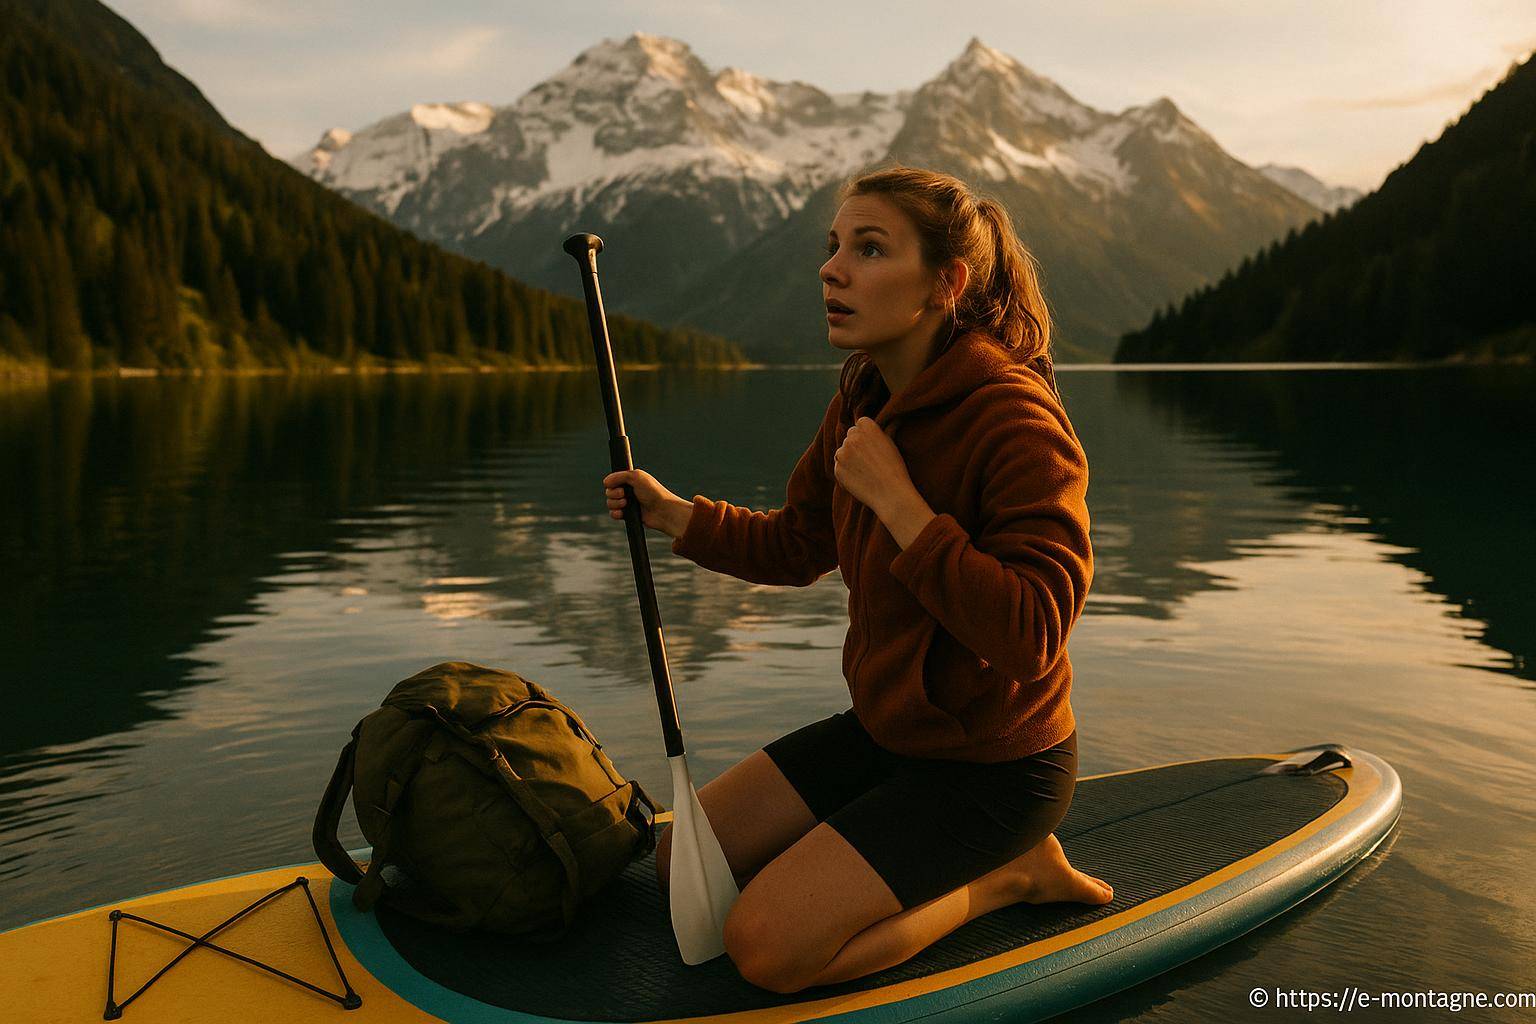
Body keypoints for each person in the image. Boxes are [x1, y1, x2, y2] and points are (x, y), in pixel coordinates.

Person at [600, 165, 1112, 994]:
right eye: (833, 246)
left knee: (765, 950)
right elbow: (798, 544)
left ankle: (1007, 877)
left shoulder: (1016, 419)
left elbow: (1032, 636)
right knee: (679, 865)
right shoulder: (863, 399)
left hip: (995, 769)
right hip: (888, 733)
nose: (831, 270)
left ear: (945, 284)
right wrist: (674, 515)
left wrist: (903, 507)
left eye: (868, 249)